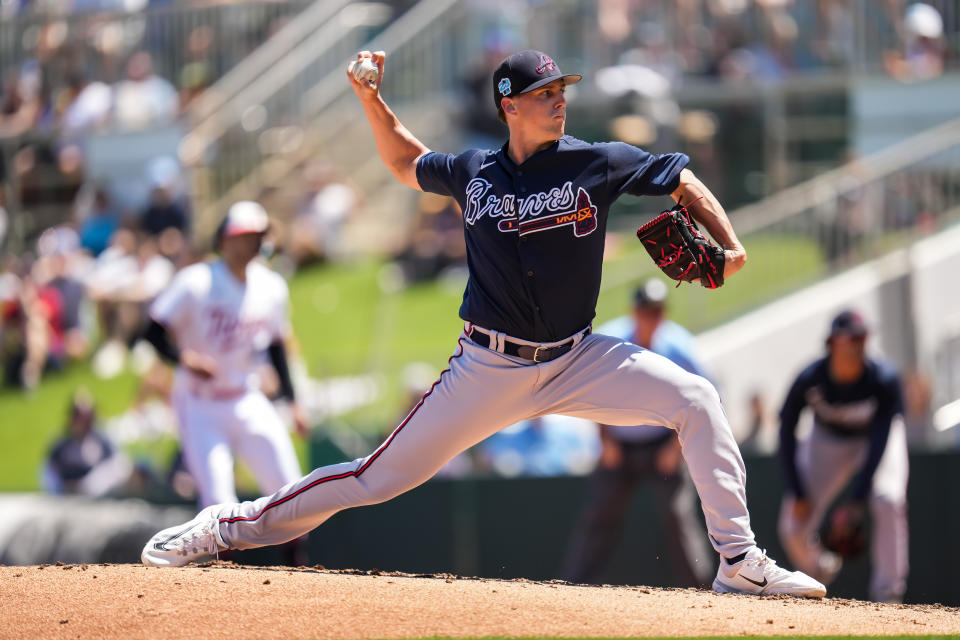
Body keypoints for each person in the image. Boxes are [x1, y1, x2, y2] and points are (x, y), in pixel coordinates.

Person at [141, 49, 825, 598]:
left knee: (696, 399)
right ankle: (225, 524)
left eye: (562, 90)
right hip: (488, 367)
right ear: (509, 105)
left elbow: (681, 181)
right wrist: (370, 100)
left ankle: (739, 561)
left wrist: (728, 244)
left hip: (575, 357)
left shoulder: (598, 161)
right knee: (372, 480)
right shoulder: (475, 173)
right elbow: (406, 161)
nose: (560, 99)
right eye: (545, 92)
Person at [142, 201, 306, 511]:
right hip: (200, 403)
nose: (253, 242)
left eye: (258, 235)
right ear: (224, 240)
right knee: (217, 503)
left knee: (291, 491)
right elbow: (151, 330)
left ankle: (297, 559)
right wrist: (184, 359)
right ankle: (223, 561)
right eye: (245, 235)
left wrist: (293, 401)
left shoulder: (271, 286)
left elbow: (276, 346)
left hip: (247, 396)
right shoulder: (196, 281)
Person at [560, 279, 712, 587]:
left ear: (664, 312)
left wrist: (676, 446)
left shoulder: (680, 347)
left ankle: (703, 589)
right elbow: (592, 391)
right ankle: (573, 587)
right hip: (619, 446)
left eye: (656, 310)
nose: (650, 317)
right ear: (634, 311)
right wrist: (605, 439)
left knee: (678, 517)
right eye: (645, 310)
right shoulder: (613, 340)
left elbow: (703, 400)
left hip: (663, 446)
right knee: (599, 515)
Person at [777, 310, 909, 603]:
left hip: (875, 440)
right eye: (852, 337)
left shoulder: (883, 379)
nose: (859, 343)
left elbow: (880, 441)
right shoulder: (810, 379)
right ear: (832, 342)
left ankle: (889, 595)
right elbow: (786, 429)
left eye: (863, 337)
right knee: (792, 526)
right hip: (828, 439)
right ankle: (817, 572)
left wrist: (858, 498)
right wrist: (798, 490)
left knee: (888, 500)